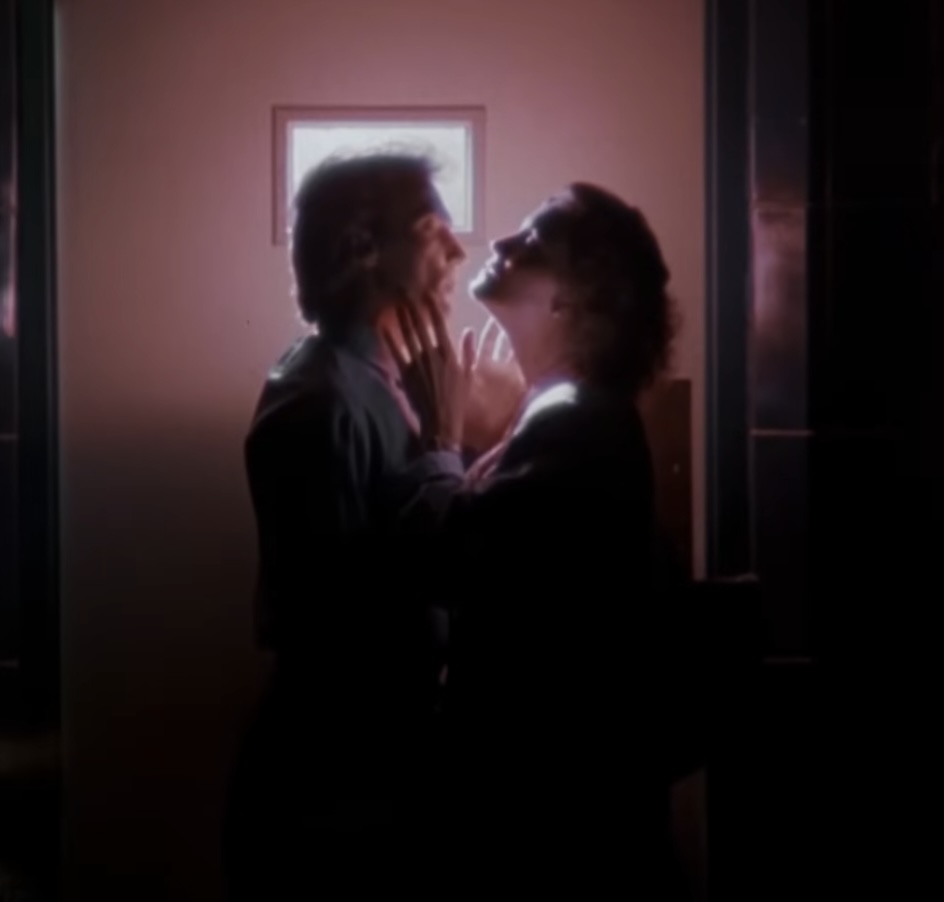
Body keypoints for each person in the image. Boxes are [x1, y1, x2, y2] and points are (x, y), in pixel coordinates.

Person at [223, 151, 523, 898]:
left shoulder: (384, 384)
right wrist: (446, 447)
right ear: (362, 250)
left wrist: (471, 442)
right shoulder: (319, 404)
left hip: (375, 769)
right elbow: (345, 623)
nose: (458, 250)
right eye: (431, 230)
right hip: (335, 784)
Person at [385, 182, 687, 895]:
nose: (500, 243)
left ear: (568, 301)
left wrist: (441, 440)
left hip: (547, 820)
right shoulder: (569, 412)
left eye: (533, 242)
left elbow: (451, 560)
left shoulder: (576, 419)